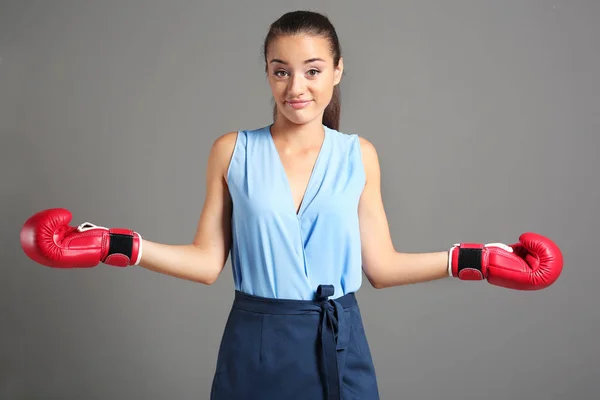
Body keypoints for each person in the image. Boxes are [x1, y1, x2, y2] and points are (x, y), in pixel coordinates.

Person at [19, 10, 563, 400]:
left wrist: (477, 260)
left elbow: (381, 267)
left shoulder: (359, 156)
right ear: (267, 74)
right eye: (281, 70)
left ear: (337, 71)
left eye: (312, 69)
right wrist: (114, 245)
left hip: (338, 339)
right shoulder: (232, 150)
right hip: (255, 342)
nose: (296, 86)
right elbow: (209, 263)